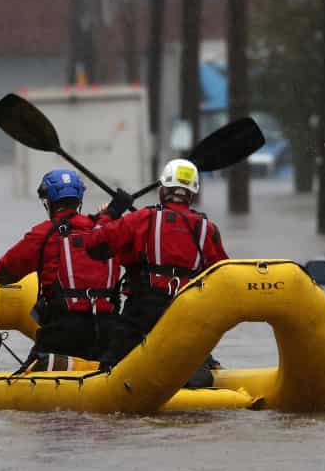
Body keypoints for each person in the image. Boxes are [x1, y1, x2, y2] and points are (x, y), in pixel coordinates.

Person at [85, 158, 229, 387]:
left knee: (110, 369)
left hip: (143, 313)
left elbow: (93, 244)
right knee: (194, 361)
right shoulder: (208, 229)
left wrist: (111, 213)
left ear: (163, 191)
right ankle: (201, 372)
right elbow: (224, 279)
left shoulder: (143, 218)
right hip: (189, 312)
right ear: (192, 194)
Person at [0, 169, 121, 371]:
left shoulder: (43, 234)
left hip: (63, 332)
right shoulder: (107, 229)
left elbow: (2, 274)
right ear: (79, 200)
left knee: (28, 372)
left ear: (48, 202)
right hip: (108, 330)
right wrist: (112, 214)